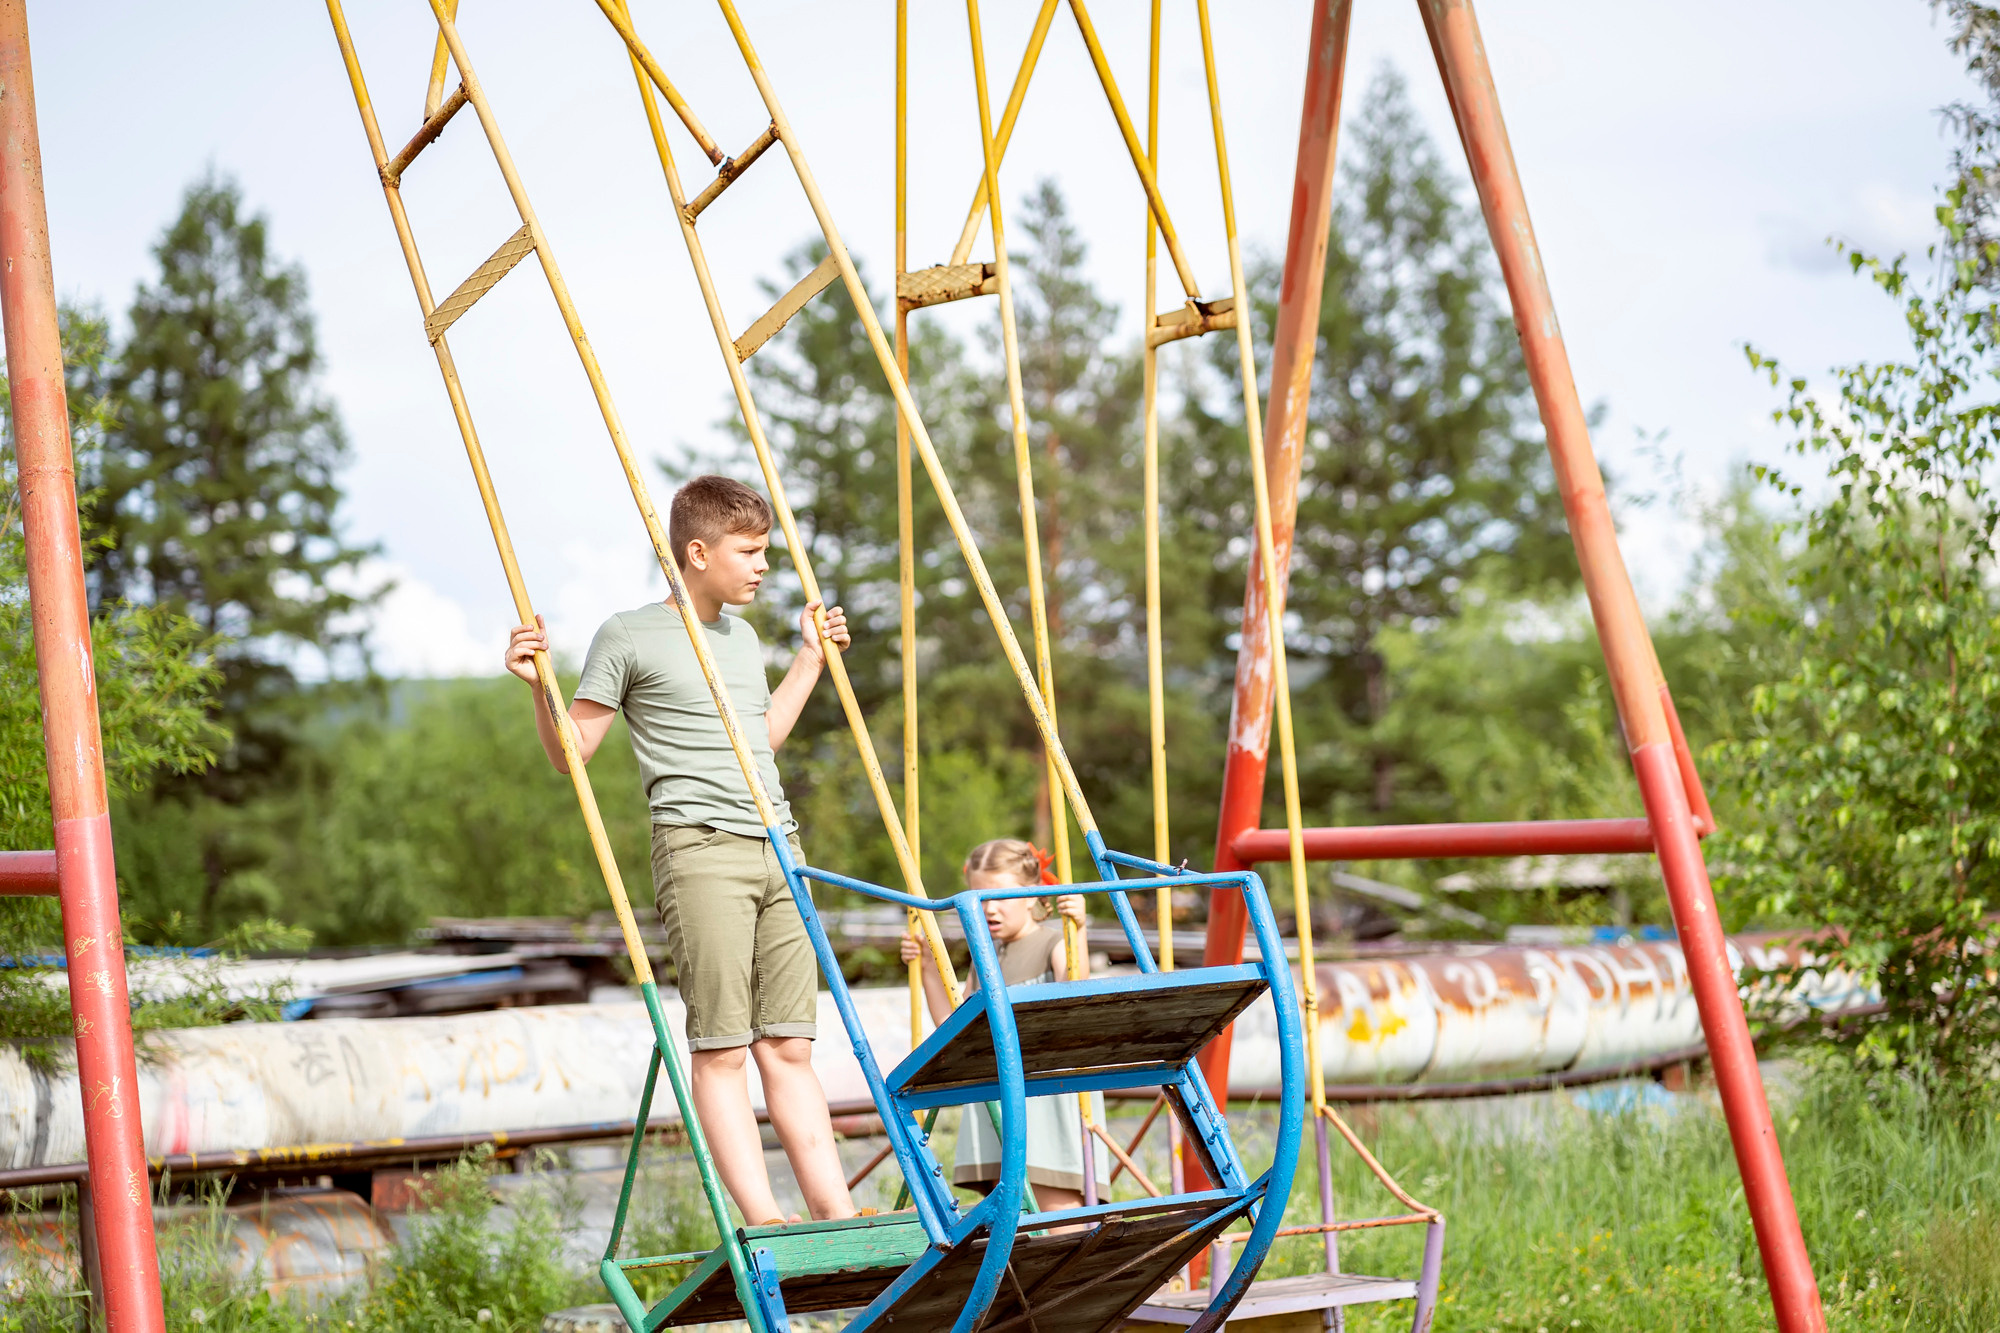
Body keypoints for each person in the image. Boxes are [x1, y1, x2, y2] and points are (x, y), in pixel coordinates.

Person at [504, 475, 854, 1226]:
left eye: (766, 551)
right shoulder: (628, 634)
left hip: (777, 845)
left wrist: (810, 662)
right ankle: (765, 1218)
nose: (764, 566)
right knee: (725, 1046)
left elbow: (756, 741)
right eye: (750, 551)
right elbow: (575, 752)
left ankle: (836, 1210)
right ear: (698, 552)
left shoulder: (745, 635)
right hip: (700, 849)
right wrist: (541, 687)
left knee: (790, 1044)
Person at [900, 838, 1111, 1213]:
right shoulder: (984, 960)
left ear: (1031, 896)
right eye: (979, 899)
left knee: (1057, 1206)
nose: (989, 909)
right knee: (1011, 1214)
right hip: (998, 1092)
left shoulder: (1053, 943)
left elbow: (1074, 994)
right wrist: (929, 970)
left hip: (1046, 1091)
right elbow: (955, 1028)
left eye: (1000, 897)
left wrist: (1077, 928)